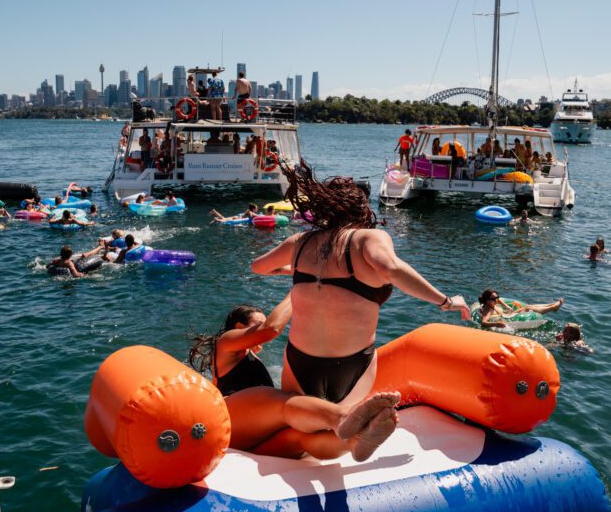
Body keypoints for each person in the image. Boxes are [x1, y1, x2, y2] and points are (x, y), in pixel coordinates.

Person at [250, 160, 470, 408]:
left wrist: (297, 271)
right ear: (360, 210)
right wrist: (446, 301)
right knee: (342, 431)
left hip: (300, 359)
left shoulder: (299, 242)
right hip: (352, 362)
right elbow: (392, 268)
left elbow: (258, 266)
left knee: (306, 427)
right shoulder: (368, 238)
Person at [188, 295, 401, 461]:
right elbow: (270, 329)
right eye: (256, 325)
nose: (261, 328)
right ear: (239, 328)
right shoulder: (226, 344)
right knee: (283, 400)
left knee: (299, 437)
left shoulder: (250, 357)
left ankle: (354, 442)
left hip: (252, 439)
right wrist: (298, 290)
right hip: (229, 422)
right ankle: (343, 417)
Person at [478, 289, 564, 329]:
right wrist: (496, 324)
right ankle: (552, 308)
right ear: (487, 300)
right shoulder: (488, 310)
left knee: (527, 307)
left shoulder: (492, 302)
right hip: (507, 319)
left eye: (497, 297)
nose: (496, 300)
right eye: (493, 299)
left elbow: (499, 300)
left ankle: (552, 305)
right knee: (527, 308)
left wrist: (506, 306)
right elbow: (483, 323)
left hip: (507, 314)